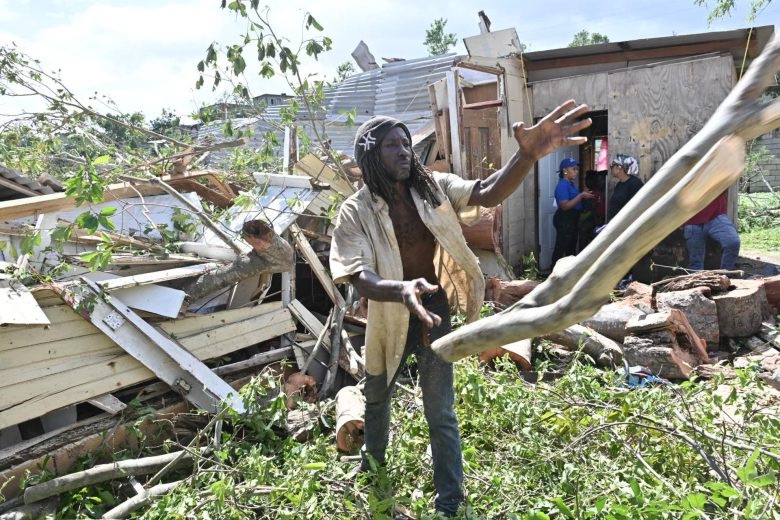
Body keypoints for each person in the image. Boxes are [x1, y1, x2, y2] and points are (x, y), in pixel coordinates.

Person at [329, 101, 591, 516]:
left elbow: (485, 192)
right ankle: (373, 474)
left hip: (434, 313)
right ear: (369, 156)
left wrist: (526, 155)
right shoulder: (355, 211)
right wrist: (400, 289)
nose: (403, 152)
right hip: (389, 314)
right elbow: (357, 275)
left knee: (440, 410)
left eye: (405, 144)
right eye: (391, 146)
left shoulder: (430, 187)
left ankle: (449, 502)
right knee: (377, 400)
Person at [551, 158, 594, 266]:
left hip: (572, 218)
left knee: (571, 247)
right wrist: (581, 196)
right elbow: (564, 206)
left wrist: (583, 194)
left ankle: (568, 273)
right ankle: (553, 272)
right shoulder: (562, 185)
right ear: (565, 171)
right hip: (565, 218)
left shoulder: (570, 184)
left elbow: (573, 199)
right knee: (562, 247)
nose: (576, 171)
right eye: (573, 169)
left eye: (577, 169)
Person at [683, 190, 740, 270]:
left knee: (732, 242)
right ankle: (697, 281)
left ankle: (726, 275)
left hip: (716, 216)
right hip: (692, 220)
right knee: (695, 264)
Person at [607, 154, 644, 222]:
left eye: (612, 166)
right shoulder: (619, 184)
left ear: (619, 168)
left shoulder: (635, 184)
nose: (611, 168)